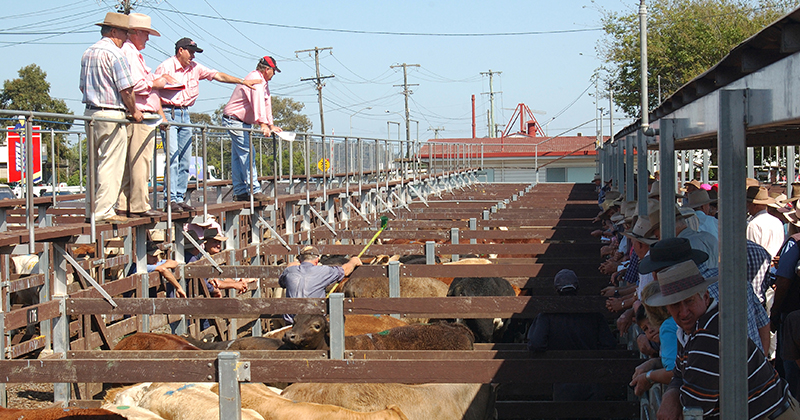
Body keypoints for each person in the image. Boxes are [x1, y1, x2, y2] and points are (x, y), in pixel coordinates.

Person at [648, 260, 798, 420]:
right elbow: (679, 375)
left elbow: (695, 407)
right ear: (668, 308)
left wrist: (669, 394)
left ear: (705, 297)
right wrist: (671, 393)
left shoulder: (708, 333)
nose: (684, 312)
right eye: (676, 305)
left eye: (689, 301)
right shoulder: (693, 328)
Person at [155, 37, 258, 213]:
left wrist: (241, 81)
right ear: (181, 50)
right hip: (169, 112)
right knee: (172, 156)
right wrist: (162, 117)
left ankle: (179, 198)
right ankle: (170, 199)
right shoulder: (166, 67)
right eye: (191, 52)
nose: (193, 56)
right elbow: (154, 92)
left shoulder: (195, 68)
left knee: (185, 159)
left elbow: (217, 75)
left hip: (185, 114)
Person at [79, 12, 143, 223]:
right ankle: (104, 210)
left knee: (94, 163)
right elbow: (126, 89)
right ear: (114, 31)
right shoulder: (116, 54)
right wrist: (134, 111)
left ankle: (92, 209)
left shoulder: (88, 52)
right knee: (111, 164)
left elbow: (82, 86)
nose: (125, 37)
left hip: (90, 112)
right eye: (124, 32)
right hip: (111, 113)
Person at [527, 269, 617, 402]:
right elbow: (609, 344)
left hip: (563, 380)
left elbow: (536, 343)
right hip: (591, 379)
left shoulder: (547, 315)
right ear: (578, 288)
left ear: (556, 290)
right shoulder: (593, 313)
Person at [117, 13, 171, 218]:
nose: (148, 38)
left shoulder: (129, 52)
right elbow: (136, 84)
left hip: (136, 114)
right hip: (140, 115)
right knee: (140, 161)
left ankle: (125, 204)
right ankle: (139, 205)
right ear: (136, 33)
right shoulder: (130, 53)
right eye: (146, 34)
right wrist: (156, 83)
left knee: (129, 162)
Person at [222, 56, 283, 202]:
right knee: (248, 153)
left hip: (242, 122)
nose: (274, 74)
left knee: (238, 156)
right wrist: (263, 124)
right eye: (274, 71)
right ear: (267, 69)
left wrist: (270, 124)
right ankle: (254, 190)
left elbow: (266, 104)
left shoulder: (264, 82)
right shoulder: (256, 80)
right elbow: (257, 103)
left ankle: (240, 191)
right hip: (235, 120)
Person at [279, 245, 362, 324]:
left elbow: (281, 283)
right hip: (313, 323)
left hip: (291, 322)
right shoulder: (324, 271)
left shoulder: (289, 271)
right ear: (317, 260)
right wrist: (353, 261)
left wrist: (290, 267)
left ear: (300, 260)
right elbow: (345, 270)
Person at [747, 186, 786, 258]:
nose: (747, 207)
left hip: (761, 263)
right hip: (776, 264)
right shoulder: (777, 221)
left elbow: (751, 251)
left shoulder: (753, 224)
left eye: (748, 204)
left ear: (754, 205)